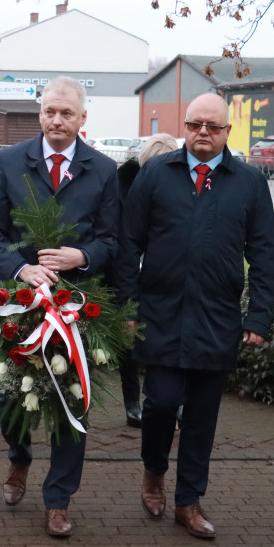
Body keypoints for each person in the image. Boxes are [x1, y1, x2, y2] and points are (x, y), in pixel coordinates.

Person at [115, 93, 274, 540]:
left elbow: (265, 255)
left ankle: (188, 501)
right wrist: (128, 307)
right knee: (162, 402)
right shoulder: (154, 175)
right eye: (195, 124)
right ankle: (153, 471)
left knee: (203, 416)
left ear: (228, 133)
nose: (203, 132)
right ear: (185, 127)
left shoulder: (248, 182)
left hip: (217, 318)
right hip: (160, 313)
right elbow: (129, 246)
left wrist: (259, 317)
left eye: (213, 126)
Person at [0, 77, 120, 539]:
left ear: (82, 118)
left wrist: (84, 256)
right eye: (48, 112)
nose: (56, 121)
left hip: (77, 306)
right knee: (7, 396)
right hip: (20, 304)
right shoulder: (10, 160)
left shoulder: (103, 169)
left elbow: (114, 239)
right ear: (40, 115)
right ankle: (19, 457)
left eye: (66, 114)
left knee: (72, 402)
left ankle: (58, 500)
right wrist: (21, 269)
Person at [114, 133, 179, 429]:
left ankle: (167, 400)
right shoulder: (122, 183)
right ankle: (132, 402)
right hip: (127, 270)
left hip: (162, 273)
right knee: (128, 341)